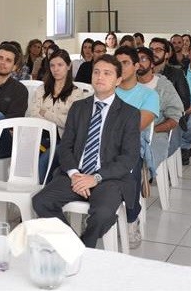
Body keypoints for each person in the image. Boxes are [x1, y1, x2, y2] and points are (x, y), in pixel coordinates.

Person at [32, 54, 140, 248]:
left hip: (108, 178)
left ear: (118, 80)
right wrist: (74, 174)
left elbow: (129, 158)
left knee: (103, 214)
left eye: (107, 73)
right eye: (96, 72)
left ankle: (85, 246)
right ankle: (75, 246)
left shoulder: (129, 113)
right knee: (41, 201)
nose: (100, 77)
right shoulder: (79, 107)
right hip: (76, 173)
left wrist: (96, 178)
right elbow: (66, 146)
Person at [114, 46, 160, 249]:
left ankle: (132, 220)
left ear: (135, 66)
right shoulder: (107, 90)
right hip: (101, 146)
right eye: (117, 63)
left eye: (125, 63)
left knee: (129, 170)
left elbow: (136, 127)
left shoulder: (148, 95)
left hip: (131, 147)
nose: (120, 67)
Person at [28, 49, 88, 182]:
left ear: (68, 66)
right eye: (52, 65)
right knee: (26, 156)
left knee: (44, 161)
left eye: (60, 65)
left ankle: (45, 194)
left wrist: (46, 113)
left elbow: (71, 123)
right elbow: (33, 115)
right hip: (40, 136)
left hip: (64, 140)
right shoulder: (42, 89)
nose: (56, 69)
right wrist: (55, 119)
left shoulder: (76, 93)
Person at [136, 47, 183, 173]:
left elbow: (174, 118)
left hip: (156, 133)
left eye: (143, 59)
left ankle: (141, 181)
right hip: (130, 132)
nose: (139, 62)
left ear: (152, 63)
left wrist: (151, 131)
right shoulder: (128, 84)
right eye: (136, 59)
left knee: (142, 157)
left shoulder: (163, 86)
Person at [149, 37, 191, 110]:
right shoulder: (141, 72)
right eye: (151, 50)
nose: (153, 53)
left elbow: (185, 102)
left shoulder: (177, 73)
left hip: (168, 116)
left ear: (166, 55)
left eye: (158, 50)